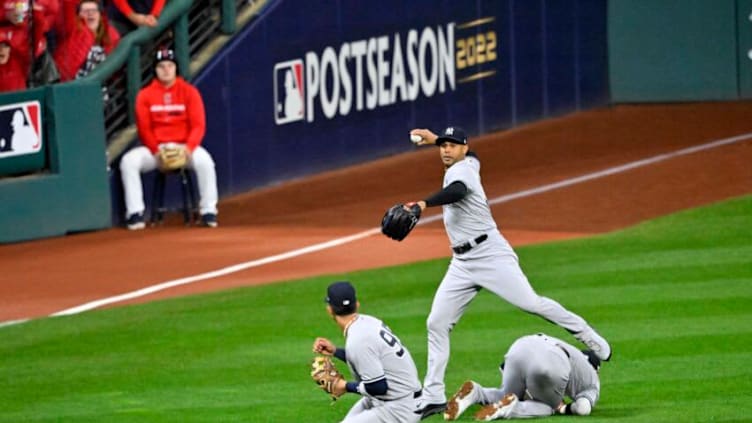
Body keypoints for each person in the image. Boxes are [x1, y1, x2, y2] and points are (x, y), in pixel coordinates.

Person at [405, 126, 611, 419]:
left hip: (491, 255)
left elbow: (457, 192)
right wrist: (435, 139)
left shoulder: (464, 172)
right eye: (444, 146)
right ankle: (433, 395)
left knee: (532, 303)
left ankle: (591, 338)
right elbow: (466, 155)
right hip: (461, 263)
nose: (446, 150)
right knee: (436, 323)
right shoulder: (471, 159)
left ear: (464, 149)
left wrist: (424, 203)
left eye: (453, 145)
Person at [119, 47, 219, 230]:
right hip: (156, 149)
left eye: (170, 66)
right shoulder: (145, 95)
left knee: (206, 162)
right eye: (161, 66)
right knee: (128, 161)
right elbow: (144, 129)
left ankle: (208, 211)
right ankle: (135, 213)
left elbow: (198, 126)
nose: (166, 70)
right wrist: (156, 151)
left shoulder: (189, 92)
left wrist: (188, 148)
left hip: (184, 147)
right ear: (155, 70)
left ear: (175, 68)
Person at [312, 281, 423, 423]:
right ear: (356, 304)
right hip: (399, 398)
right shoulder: (369, 322)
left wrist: (344, 386)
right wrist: (335, 351)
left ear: (329, 310)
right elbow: (368, 359)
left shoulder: (357, 340)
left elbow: (378, 387)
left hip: (399, 408)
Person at [444, 333, 601, 420]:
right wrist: (563, 408)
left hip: (521, 346)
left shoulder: (574, 354)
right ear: (596, 369)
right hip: (552, 361)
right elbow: (583, 408)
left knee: (505, 393)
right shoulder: (592, 379)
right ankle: (511, 408)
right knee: (547, 407)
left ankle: (476, 393)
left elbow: (503, 367)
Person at [53, 0, 119, 81]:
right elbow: (68, 7)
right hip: (71, 85)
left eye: (94, 10)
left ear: (100, 15)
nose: (90, 14)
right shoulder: (73, 30)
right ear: (78, 15)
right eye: (85, 11)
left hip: (101, 87)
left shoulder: (111, 34)